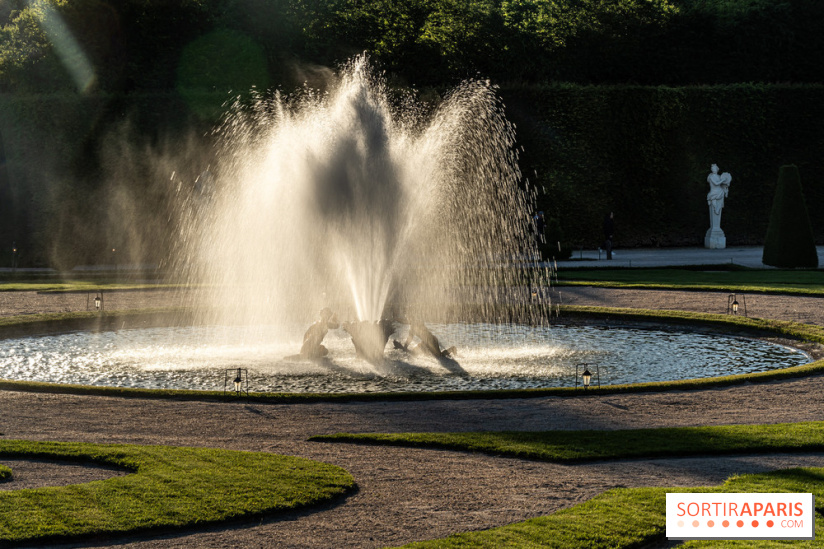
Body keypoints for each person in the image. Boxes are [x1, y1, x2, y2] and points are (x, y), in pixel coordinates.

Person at [707, 163, 732, 230]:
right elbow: (716, 183)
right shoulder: (711, 176)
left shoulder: (719, 176)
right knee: (714, 206)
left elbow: (722, 184)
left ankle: (717, 209)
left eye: (714, 168)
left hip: (720, 192)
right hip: (714, 193)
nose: (713, 169)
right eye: (712, 169)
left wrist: (726, 182)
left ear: (717, 169)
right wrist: (723, 180)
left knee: (719, 205)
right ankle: (716, 209)